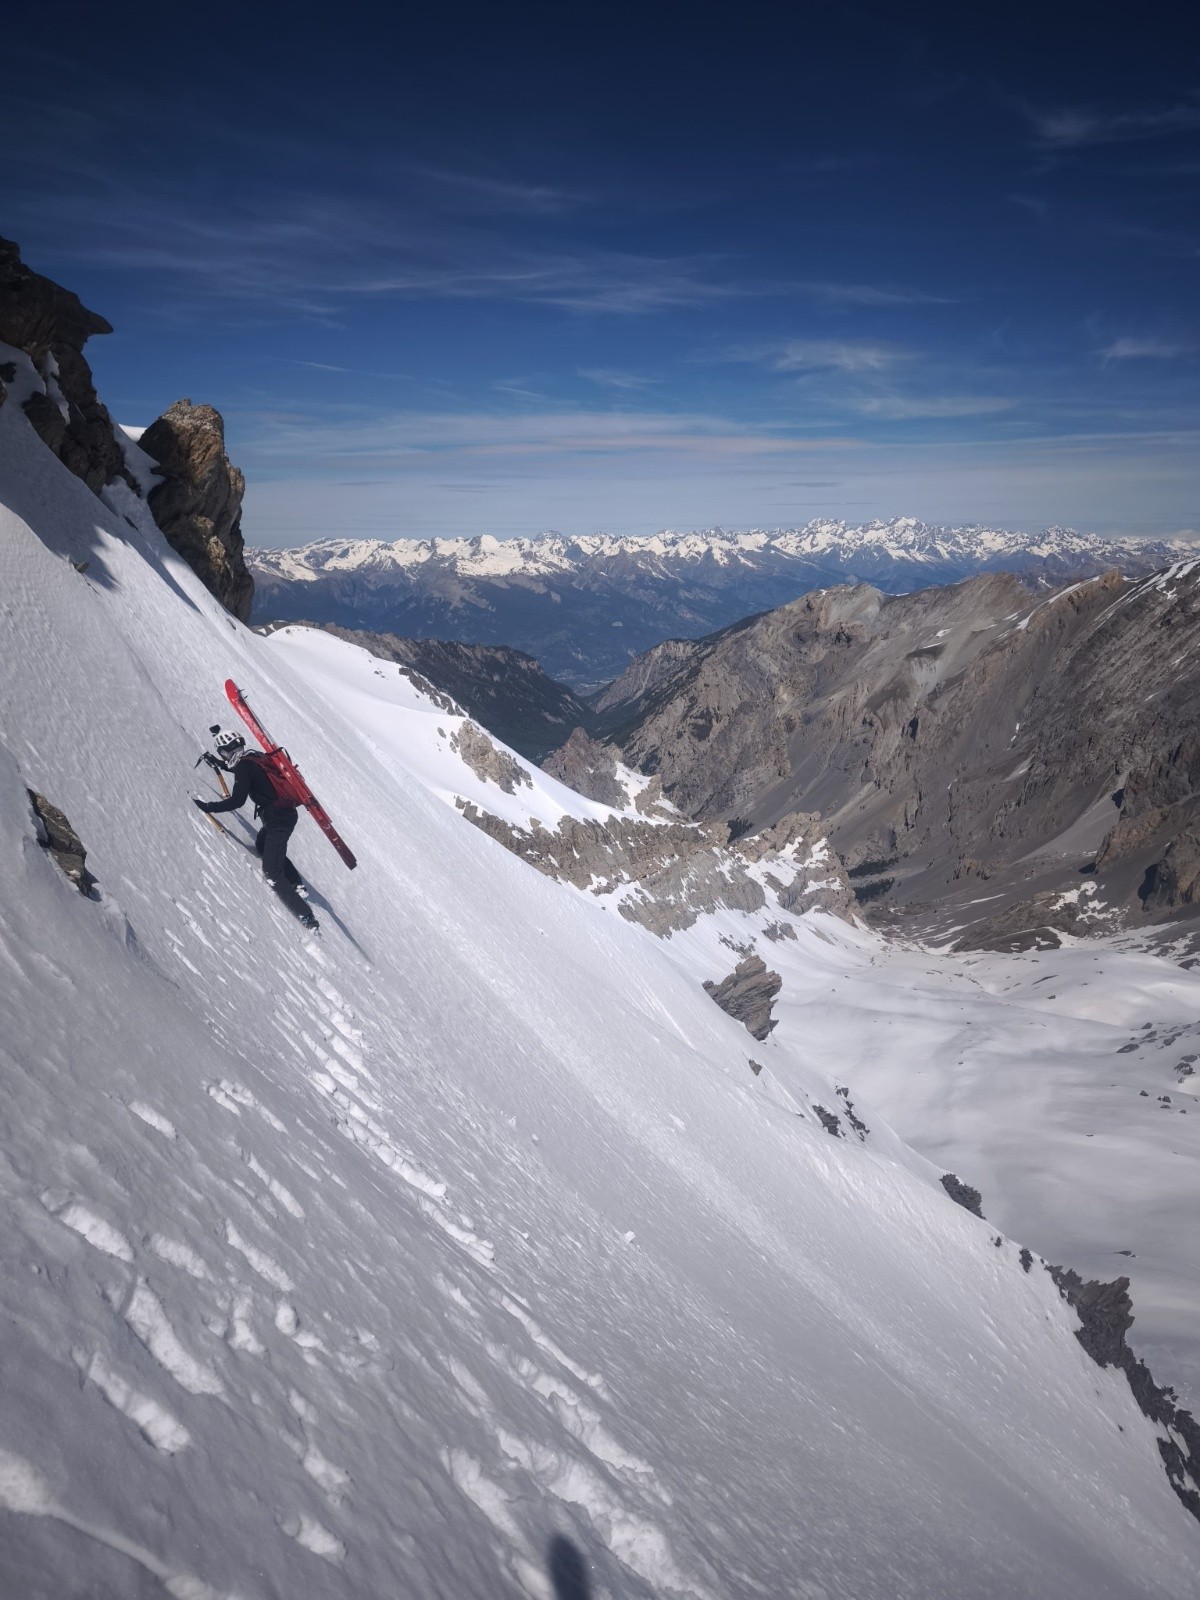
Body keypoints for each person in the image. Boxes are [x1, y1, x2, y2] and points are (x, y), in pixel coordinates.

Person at [194, 729, 319, 931]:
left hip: (279, 821)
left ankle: (307, 917)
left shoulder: (244, 767)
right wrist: (220, 766)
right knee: (263, 844)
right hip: (278, 817)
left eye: (222, 753)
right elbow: (244, 773)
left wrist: (209, 807)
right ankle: (297, 883)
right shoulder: (253, 757)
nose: (223, 757)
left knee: (272, 873)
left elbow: (237, 800)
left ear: (226, 751)